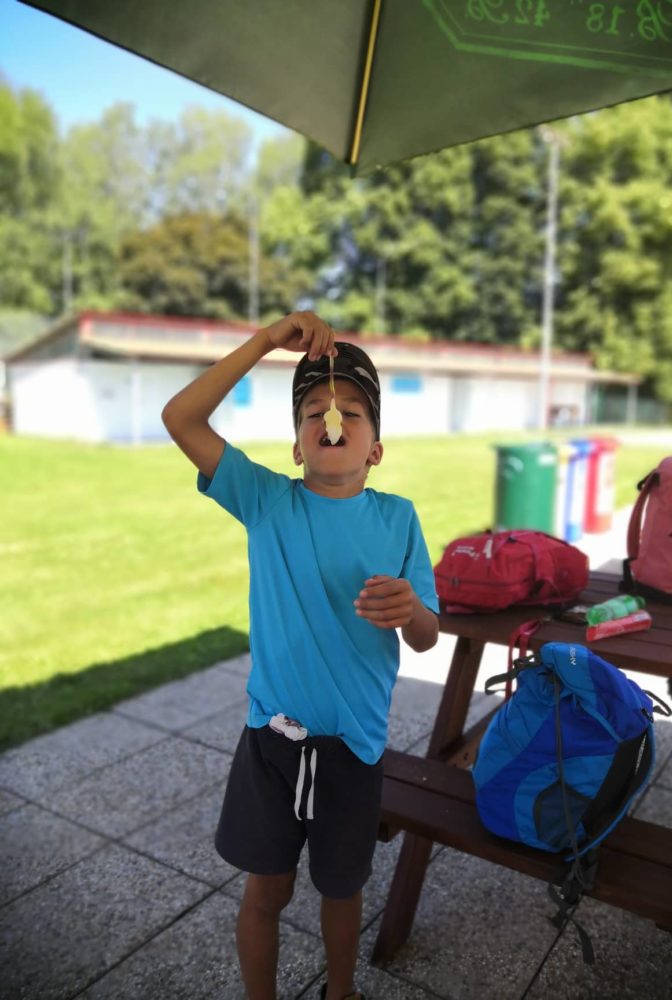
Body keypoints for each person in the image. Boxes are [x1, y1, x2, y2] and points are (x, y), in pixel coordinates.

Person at [161, 311, 439, 1000]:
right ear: (295, 446)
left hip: (356, 747)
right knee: (266, 893)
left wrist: (410, 610)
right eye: (314, 411)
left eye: (350, 412)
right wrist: (263, 343)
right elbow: (181, 418)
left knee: (342, 891)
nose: (331, 418)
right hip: (273, 744)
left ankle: (340, 991)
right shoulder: (266, 502)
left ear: (376, 449)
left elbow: (428, 633)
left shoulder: (398, 517)